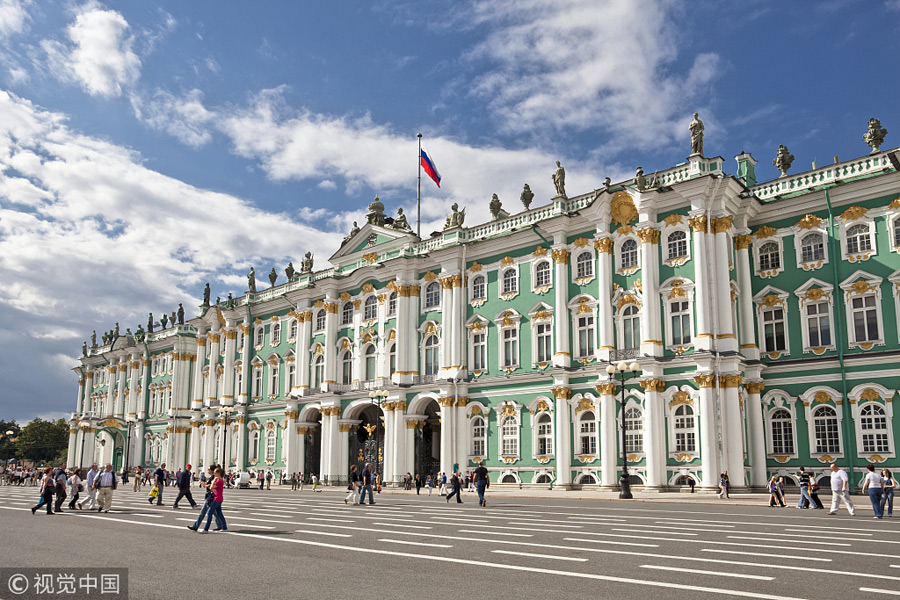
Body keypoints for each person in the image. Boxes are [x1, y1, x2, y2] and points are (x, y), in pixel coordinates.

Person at [188, 466, 218, 532]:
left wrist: (204, 485)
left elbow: (211, 486)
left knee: (204, 511)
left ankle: (196, 526)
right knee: (215, 512)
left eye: (208, 469)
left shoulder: (213, 477)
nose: (207, 470)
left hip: (210, 496)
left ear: (212, 470)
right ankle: (220, 525)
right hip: (209, 496)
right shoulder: (211, 477)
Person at [199, 468, 228, 534]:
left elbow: (212, 487)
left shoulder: (219, 481)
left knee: (209, 513)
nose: (214, 474)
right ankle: (224, 527)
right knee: (219, 514)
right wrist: (206, 485)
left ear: (218, 473)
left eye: (215, 473)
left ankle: (206, 529)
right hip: (219, 499)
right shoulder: (220, 480)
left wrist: (214, 480)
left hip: (216, 499)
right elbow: (212, 488)